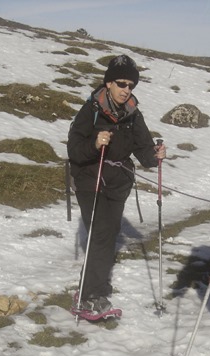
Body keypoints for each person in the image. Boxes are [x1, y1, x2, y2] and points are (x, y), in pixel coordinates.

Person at [67, 54, 166, 316]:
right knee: (100, 234)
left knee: (108, 235)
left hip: (118, 183)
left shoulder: (132, 113)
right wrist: (95, 144)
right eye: (121, 84)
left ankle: (93, 288)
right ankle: (89, 297)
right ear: (108, 83)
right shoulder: (91, 110)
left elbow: (144, 152)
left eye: (131, 86)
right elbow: (75, 151)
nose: (126, 90)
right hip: (90, 179)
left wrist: (156, 155)